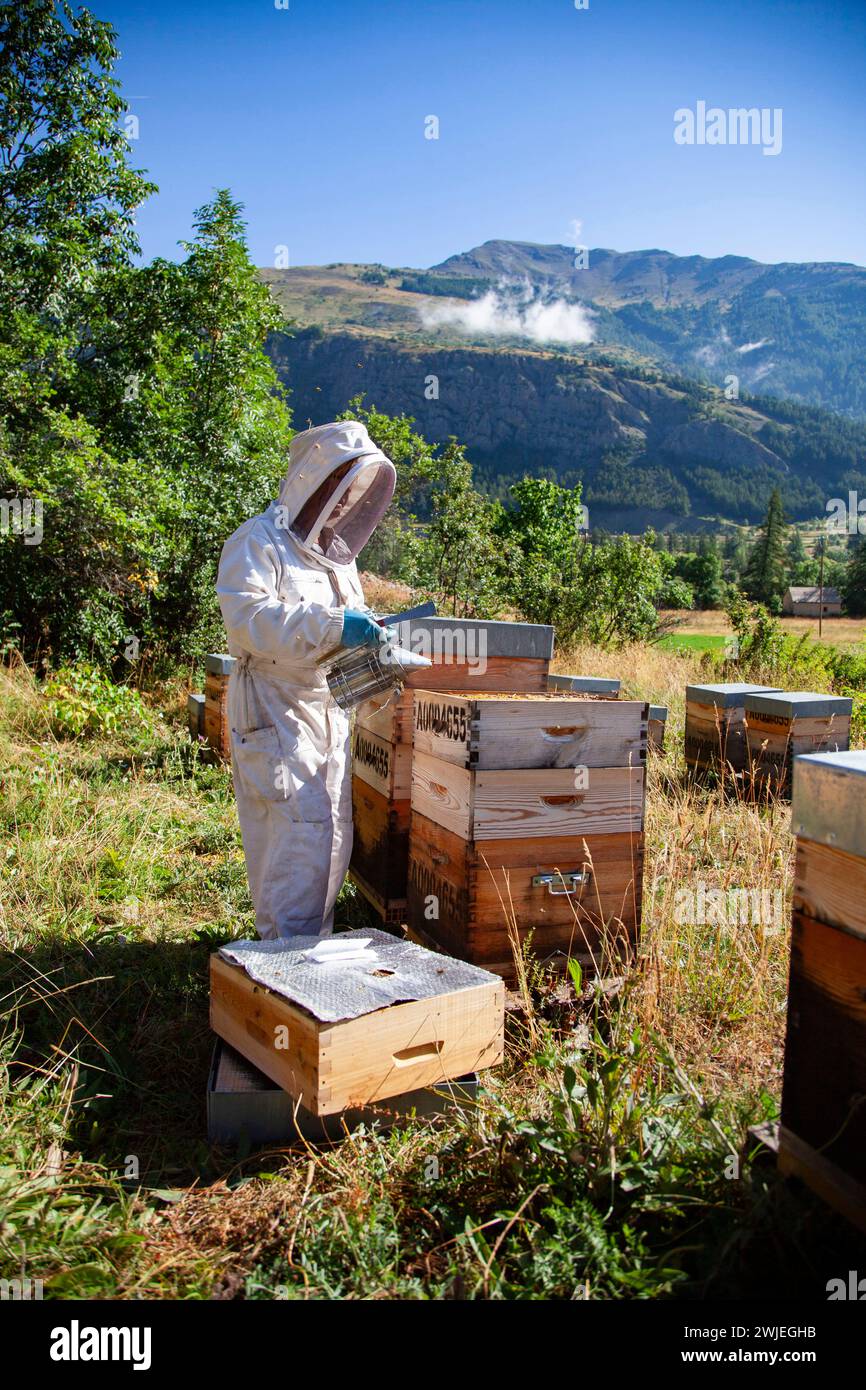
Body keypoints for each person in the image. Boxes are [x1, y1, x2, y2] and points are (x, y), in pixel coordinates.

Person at [217, 420, 396, 939]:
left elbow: (350, 621)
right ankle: (279, 967)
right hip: (274, 705)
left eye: (355, 494)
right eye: (340, 488)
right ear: (313, 481)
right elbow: (249, 620)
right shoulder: (258, 542)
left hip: (328, 707)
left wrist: (377, 640)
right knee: (295, 836)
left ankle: (308, 957)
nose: (344, 505)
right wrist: (339, 626)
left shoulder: (340, 562)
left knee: (332, 834)